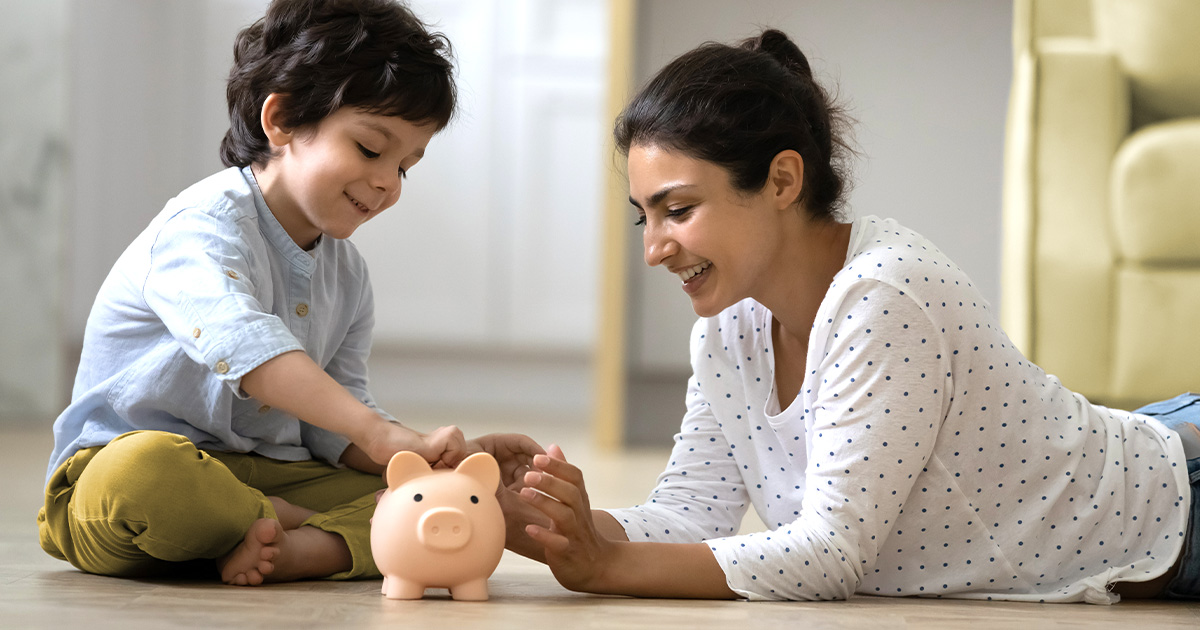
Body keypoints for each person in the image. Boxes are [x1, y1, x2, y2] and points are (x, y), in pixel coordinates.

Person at [507, 29, 1200, 603]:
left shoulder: (884, 296)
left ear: (782, 180)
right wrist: (520, 518)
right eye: (645, 216)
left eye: (679, 210)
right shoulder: (728, 330)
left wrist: (604, 565)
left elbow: (828, 556)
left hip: (1177, 507)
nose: (655, 248)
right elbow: (686, 515)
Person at [38, 0, 541, 586]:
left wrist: (425, 459)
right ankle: (311, 531)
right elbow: (245, 346)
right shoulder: (199, 228)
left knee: (447, 501)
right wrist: (378, 433)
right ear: (281, 120)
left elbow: (333, 426)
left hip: (270, 470)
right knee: (144, 475)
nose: (386, 183)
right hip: (125, 479)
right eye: (372, 150)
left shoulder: (348, 277)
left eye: (405, 166)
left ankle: (291, 548)